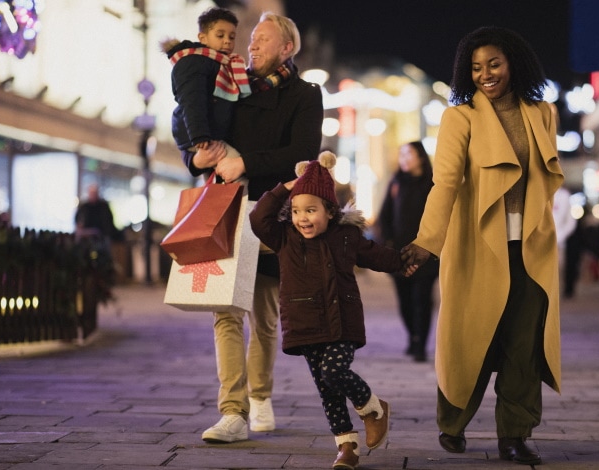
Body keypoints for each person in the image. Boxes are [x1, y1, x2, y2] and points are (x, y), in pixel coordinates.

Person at [401, 26, 564, 466]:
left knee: (524, 346)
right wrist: (426, 242)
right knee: (471, 337)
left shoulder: (543, 113)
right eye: (476, 68)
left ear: (514, 63)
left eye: (494, 64)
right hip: (476, 246)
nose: (485, 74)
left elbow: (547, 182)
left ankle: (514, 436)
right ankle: (452, 423)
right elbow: (446, 183)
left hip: (531, 248)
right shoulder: (462, 118)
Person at [181, 12, 323, 443]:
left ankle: (260, 396)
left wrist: (247, 163)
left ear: (287, 48)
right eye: (251, 39)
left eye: (262, 39)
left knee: (263, 315)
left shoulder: (304, 94)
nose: (251, 45)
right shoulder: (230, 87)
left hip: (271, 213)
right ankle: (233, 412)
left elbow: (302, 154)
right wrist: (194, 159)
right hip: (227, 209)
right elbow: (200, 134)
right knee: (226, 312)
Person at [249, 152, 415, 469]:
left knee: (334, 371)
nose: (303, 218)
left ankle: (373, 408)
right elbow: (259, 217)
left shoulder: (346, 236)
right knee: (327, 390)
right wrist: (290, 185)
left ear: (329, 210)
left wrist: (407, 262)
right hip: (304, 324)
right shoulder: (283, 236)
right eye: (296, 211)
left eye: (311, 210)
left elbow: (377, 255)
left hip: (342, 322)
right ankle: (346, 447)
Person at [377, 141, 438, 362]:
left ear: (420, 157)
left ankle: (420, 344)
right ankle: (412, 336)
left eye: (408, 154)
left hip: (426, 255)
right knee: (404, 302)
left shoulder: (433, 184)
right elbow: (385, 216)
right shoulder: (396, 182)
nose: (403, 158)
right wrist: (387, 245)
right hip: (399, 255)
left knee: (422, 299)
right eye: (401, 154)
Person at [161, 7, 250, 160]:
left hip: (211, 135)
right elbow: (192, 100)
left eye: (232, 36)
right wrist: (199, 135)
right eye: (220, 35)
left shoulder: (225, 64)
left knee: (219, 180)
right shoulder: (193, 61)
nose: (227, 41)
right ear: (203, 38)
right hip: (199, 136)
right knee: (238, 168)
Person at [552, 185, 576, 295]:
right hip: (537, 243)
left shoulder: (564, 196)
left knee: (557, 273)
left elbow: (571, 222)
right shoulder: (539, 191)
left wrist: (560, 236)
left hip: (558, 243)